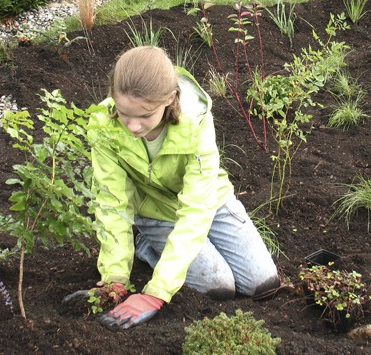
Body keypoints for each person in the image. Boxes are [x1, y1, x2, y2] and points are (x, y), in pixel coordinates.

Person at [87, 46, 279, 329]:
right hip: (156, 211)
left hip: (208, 203)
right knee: (219, 287)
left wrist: (156, 292)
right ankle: (149, 243)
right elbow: (111, 203)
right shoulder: (104, 126)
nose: (133, 126)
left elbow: (195, 209)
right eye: (124, 113)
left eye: (145, 116)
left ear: (169, 99)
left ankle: (151, 249)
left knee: (262, 282)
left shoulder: (196, 120)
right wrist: (115, 279)